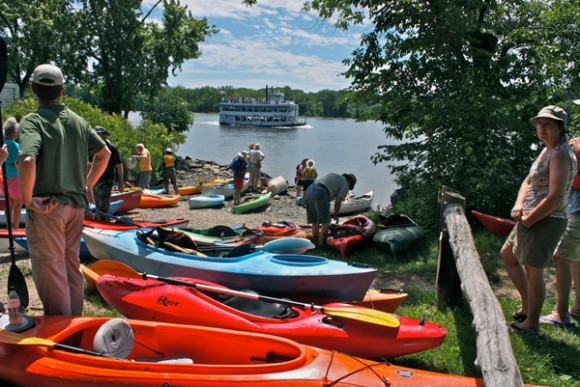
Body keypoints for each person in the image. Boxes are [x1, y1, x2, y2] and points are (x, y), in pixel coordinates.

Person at [18, 63, 110, 316]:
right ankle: (74, 325)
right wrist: (87, 184)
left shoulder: (33, 121)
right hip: (76, 206)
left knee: (50, 267)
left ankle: (61, 333)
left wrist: (28, 200)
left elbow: (27, 160)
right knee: (70, 264)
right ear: (62, 90)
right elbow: (104, 154)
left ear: (32, 89)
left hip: (48, 207)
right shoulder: (78, 121)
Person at [500, 105, 575, 333]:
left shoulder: (561, 153)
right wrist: (519, 204)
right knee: (508, 255)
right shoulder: (548, 150)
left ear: (560, 128)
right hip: (529, 217)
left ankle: (531, 324)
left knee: (534, 270)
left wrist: (530, 219)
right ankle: (528, 306)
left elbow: (555, 196)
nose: (541, 128)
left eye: (547, 124)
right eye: (539, 124)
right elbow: (528, 181)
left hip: (547, 220)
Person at [540, 100, 580, 326]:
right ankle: (577, 307)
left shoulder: (571, 147)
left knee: (561, 256)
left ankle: (561, 314)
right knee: (575, 258)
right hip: (574, 202)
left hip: (578, 206)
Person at [305, 172, 357, 246]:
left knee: (314, 220)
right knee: (325, 222)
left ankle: (314, 243)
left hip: (310, 189)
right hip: (321, 192)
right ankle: (323, 245)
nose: (348, 188)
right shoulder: (345, 184)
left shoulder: (334, 175)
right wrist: (336, 214)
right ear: (350, 182)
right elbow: (338, 201)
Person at [90, 126, 124, 219]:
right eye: (95, 134)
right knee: (97, 203)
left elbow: (119, 166)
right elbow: (89, 165)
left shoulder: (112, 148)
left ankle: (104, 221)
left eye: (99, 134)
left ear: (105, 135)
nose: (97, 136)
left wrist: (121, 182)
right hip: (94, 180)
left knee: (104, 204)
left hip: (107, 179)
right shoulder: (92, 148)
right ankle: (100, 221)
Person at [2, 117, 23, 229]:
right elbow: (18, 164)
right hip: (15, 178)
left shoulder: (2, 143)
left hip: (4, 179)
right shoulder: (15, 146)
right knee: (18, 205)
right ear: (15, 132)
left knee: (8, 204)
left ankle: (8, 227)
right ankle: (16, 228)